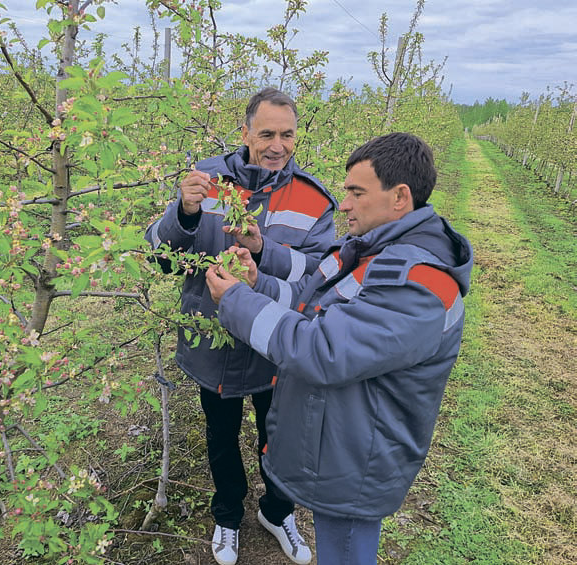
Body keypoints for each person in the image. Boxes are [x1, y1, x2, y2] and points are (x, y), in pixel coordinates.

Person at [205, 132, 473, 564]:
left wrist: (237, 301)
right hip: (342, 443)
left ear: (400, 197)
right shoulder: (374, 250)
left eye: (356, 193)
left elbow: (323, 349)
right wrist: (258, 283)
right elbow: (313, 306)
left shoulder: (417, 284)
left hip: (357, 461)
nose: (344, 204)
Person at [145, 87, 337, 565]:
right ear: (245, 132)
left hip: (278, 347)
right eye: (267, 133)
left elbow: (319, 277)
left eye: (287, 135)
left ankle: (278, 512)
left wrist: (263, 252)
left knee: (280, 438)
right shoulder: (204, 180)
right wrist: (184, 212)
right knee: (221, 436)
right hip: (213, 346)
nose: (277, 145)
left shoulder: (313, 200)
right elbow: (161, 258)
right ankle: (228, 515)